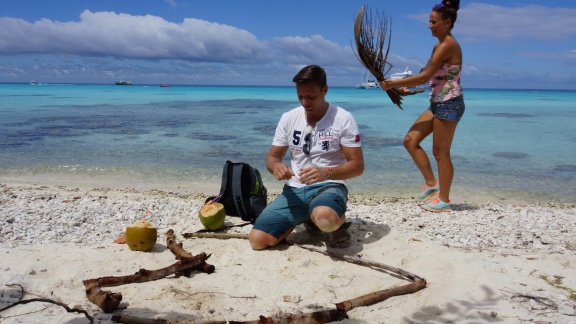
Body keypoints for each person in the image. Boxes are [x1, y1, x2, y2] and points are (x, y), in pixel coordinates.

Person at [249, 65, 364, 250]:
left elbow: (358, 166)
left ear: (324, 90)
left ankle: (335, 224)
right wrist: (277, 167)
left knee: (325, 218)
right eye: (300, 96)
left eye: (310, 97)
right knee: (257, 241)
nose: (304, 102)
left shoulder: (343, 118)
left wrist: (327, 172)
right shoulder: (289, 118)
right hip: (295, 189)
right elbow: (272, 157)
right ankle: (306, 217)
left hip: (330, 186)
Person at [381, 0, 464, 212]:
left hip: (449, 104)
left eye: (433, 21)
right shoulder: (439, 45)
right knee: (410, 141)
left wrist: (394, 83)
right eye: (429, 21)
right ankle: (431, 184)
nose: (429, 25)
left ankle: (444, 200)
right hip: (437, 103)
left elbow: (425, 76)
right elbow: (427, 72)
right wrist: (405, 87)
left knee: (441, 153)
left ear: (447, 22)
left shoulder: (448, 45)